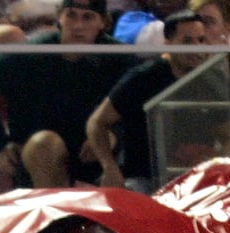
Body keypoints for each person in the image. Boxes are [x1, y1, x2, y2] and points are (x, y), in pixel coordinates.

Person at [0, 0, 137, 196]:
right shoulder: (30, 54)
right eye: (71, 15)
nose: (78, 26)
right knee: (45, 144)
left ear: (103, 22)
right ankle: (58, 222)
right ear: (59, 17)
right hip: (39, 155)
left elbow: (140, 106)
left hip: (99, 158)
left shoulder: (121, 59)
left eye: (87, 17)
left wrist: (114, 133)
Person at [86, 11, 214, 192]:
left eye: (201, 40)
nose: (196, 47)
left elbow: (224, 133)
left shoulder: (211, 79)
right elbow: (97, 122)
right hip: (143, 178)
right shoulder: (143, 78)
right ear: (168, 43)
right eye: (187, 41)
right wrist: (110, 168)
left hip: (194, 177)